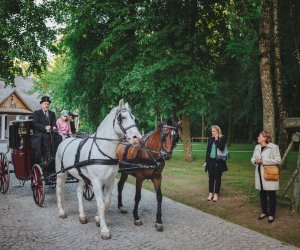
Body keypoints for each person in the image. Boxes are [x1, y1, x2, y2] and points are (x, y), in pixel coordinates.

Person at [251, 131, 281, 223]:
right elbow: (252, 159)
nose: (258, 137)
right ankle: (264, 212)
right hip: (259, 173)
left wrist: (263, 161)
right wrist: (255, 161)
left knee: (271, 195)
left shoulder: (274, 147)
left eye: (259, 136)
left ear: (265, 137)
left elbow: (278, 161)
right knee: (262, 194)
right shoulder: (257, 147)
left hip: (270, 174)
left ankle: (271, 215)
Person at [31, 96, 62, 162]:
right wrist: (44, 127)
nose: (47, 105)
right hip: (40, 133)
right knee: (46, 137)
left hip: (51, 132)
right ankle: (47, 156)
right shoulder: (37, 113)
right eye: (45, 104)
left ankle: (57, 154)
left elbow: (54, 123)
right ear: (41, 104)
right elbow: (35, 123)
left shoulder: (52, 113)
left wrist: (54, 127)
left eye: (48, 104)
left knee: (59, 137)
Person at [204, 125, 228, 202]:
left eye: (214, 131)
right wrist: (206, 161)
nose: (212, 133)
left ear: (218, 131)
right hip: (210, 161)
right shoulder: (210, 139)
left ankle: (216, 194)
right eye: (212, 131)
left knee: (218, 178)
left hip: (218, 162)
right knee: (210, 178)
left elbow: (221, 148)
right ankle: (210, 193)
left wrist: (217, 139)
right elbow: (208, 151)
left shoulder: (223, 138)